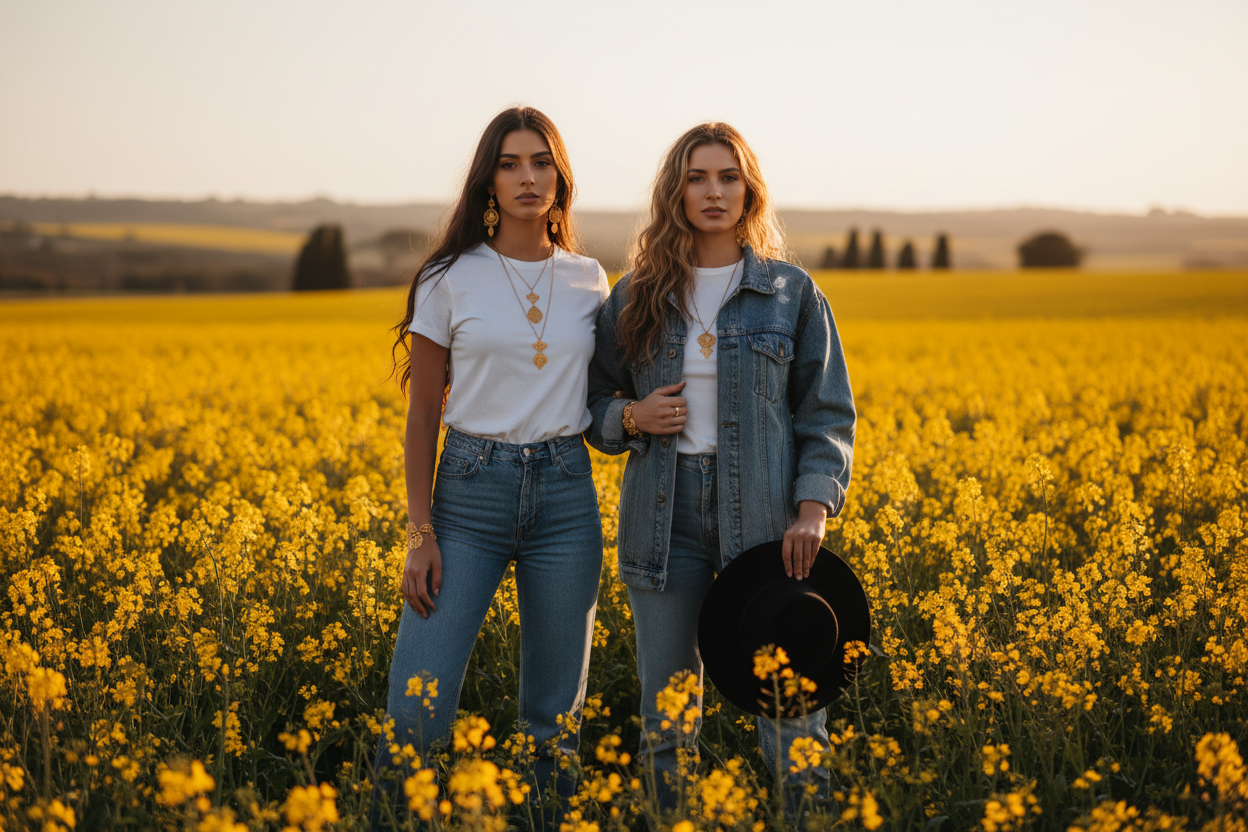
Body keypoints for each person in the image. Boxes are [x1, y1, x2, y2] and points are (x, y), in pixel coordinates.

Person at [586, 123, 856, 805]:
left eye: (728, 178)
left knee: (792, 715)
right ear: (675, 192)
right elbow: (591, 402)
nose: (713, 192)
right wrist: (630, 416)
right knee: (668, 723)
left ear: (749, 191)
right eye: (697, 178)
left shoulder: (791, 294)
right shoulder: (635, 295)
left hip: (767, 525)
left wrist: (813, 510)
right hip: (664, 519)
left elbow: (827, 414)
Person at [376, 107, 608, 826]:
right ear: (489, 179)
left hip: (567, 499)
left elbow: (609, 392)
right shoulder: (450, 277)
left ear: (559, 177)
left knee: (553, 720)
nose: (527, 177)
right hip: (468, 498)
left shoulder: (590, 280)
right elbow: (422, 415)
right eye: (510, 163)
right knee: (417, 704)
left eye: (540, 162)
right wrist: (420, 532)